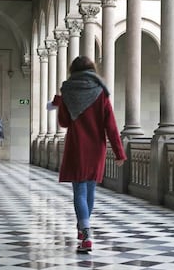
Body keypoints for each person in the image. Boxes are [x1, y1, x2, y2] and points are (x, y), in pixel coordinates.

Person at [54, 56, 127, 253]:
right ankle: (84, 228)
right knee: (90, 190)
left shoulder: (67, 91)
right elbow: (110, 125)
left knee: (79, 191)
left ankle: (85, 232)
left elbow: (64, 123)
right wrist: (119, 152)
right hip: (96, 148)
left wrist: (61, 105)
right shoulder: (100, 92)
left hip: (77, 147)